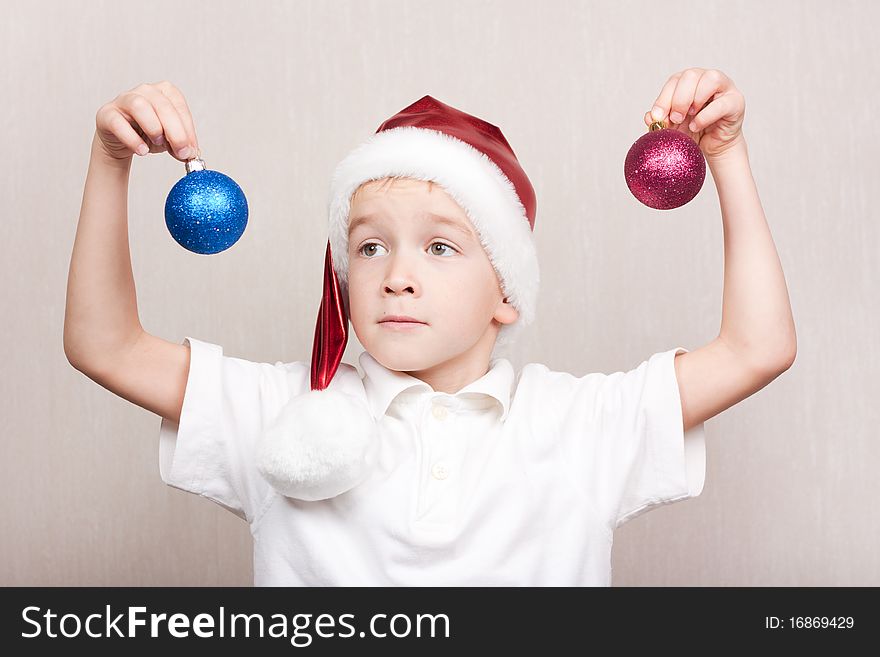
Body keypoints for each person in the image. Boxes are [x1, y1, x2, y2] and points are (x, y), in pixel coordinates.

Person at [64, 69, 796, 586]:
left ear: (505, 292)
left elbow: (757, 349)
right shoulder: (281, 412)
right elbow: (105, 345)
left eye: (440, 247)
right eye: (369, 245)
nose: (395, 274)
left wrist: (725, 153)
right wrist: (111, 160)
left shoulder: (582, 424)